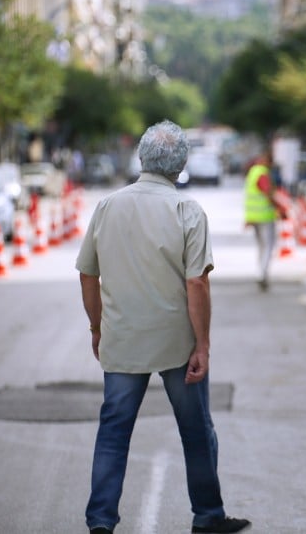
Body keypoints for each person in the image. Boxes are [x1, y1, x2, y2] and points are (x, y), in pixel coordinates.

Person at [75, 120, 250, 534]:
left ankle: (100, 522)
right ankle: (207, 517)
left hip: (124, 339)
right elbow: (197, 282)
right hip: (177, 343)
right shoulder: (186, 210)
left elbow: (87, 274)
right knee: (196, 430)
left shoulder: (107, 206)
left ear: (141, 157)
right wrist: (202, 345)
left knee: (114, 432)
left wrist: (96, 327)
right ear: (181, 164)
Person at [243, 151, 282, 291]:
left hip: (253, 216)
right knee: (268, 247)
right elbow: (267, 192)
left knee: (261, 247)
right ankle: (262, 274)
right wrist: (279, 208)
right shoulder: (263, 173)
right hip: (264, 217)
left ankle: (260, 272)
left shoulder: (253, 172)